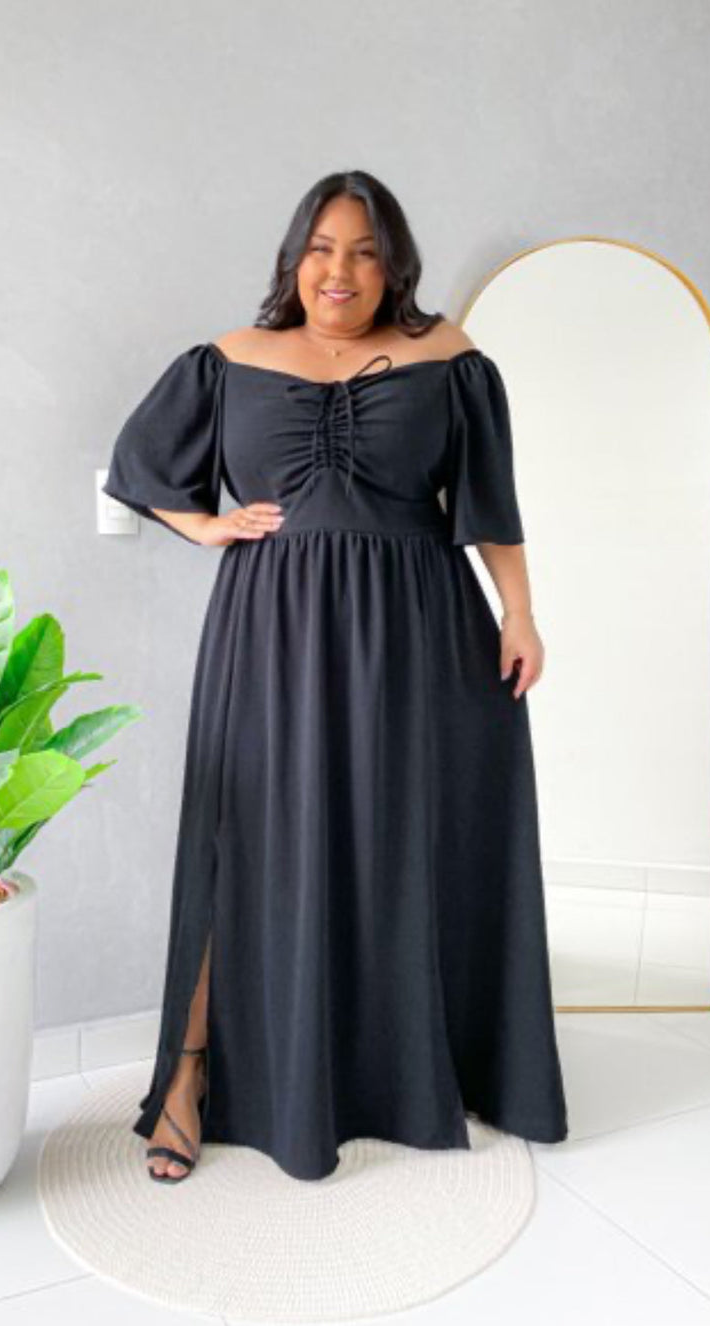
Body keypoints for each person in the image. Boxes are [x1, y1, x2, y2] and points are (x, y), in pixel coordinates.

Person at [102, 169, 569, 1183]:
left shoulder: (450, 360)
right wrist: (205, 525)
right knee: (243, 841)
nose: (340, 270)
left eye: (363, 250)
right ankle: (188, 1075)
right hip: (269, 634)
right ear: (294, 258)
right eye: (321, 248)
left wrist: (521, 612)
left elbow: (489, 503)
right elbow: (136, 463)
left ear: (393, 264)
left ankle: (411, 1068)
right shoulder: (230, 358)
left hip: (421, 633)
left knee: (406, 840)